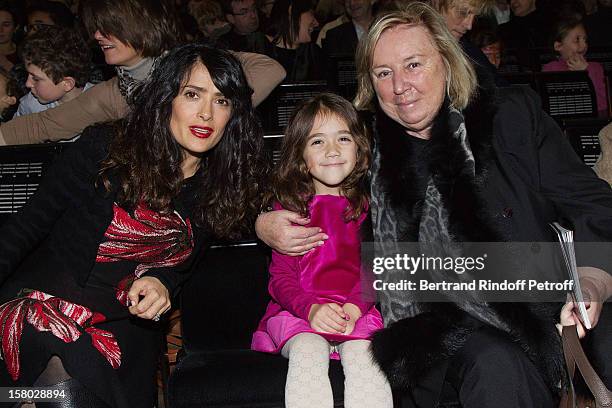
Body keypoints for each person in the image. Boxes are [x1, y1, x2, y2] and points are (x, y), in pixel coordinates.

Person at [256, 3, 612, 406]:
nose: (399, 87)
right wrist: (263, 223)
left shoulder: (511, 115)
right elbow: (297, 182)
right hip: (435, 324)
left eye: (413, 65)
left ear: (446, 60)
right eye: (383, 73)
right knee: (497, 365)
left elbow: (593, 203)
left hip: (542, 296)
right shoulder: (363, 147)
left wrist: (592, 282)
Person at [0, 43, 265, 408]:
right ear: (166, 97)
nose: (206, 114)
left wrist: (161, 280)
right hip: (49, 301)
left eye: (221, 101)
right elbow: (27, 225)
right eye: (192, 94)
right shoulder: (105, 148)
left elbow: (183, 263)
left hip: (126, 322)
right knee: (64, 388)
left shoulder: (218, 183)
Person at [251, 92, 393, 408]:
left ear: (359, 148)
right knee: (308, 350)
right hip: (299, 314)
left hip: (356, 312)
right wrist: (311, 310)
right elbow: (280, 279)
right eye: (317, 142)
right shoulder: (288, 214)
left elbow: (375, 271)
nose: (331, 150)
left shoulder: (371, 210)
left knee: (366, 357)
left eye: (343, 138)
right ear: (301, 155)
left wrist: (355, 309)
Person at [0, 0, 285, 145]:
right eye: (96, 27)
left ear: (139, 25)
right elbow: (43, 125)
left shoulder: (195, 66)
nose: (97, 35)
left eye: (107, 26)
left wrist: (208, 109)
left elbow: (269, 69)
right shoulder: (116, 93)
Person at [14, 25, 94, 118]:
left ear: (67, 83)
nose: (27, 84)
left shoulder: (102, 103)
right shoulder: (30, 106)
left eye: (36, 79)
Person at [542, 17, 607, 113]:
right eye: (577, 40)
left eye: (585, 40)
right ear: (558, 46)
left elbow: (604, 103)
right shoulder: (550, 69)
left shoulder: (595, 67)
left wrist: (586, 71)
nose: (584, 45)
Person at [264, 0, 323, 82]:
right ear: (291, 11)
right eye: (311, 14)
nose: (316, 23)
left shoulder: (313, 53)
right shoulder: (258, 48)